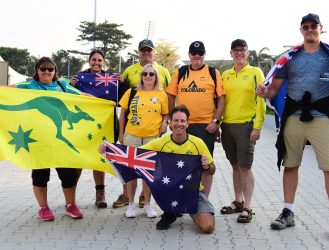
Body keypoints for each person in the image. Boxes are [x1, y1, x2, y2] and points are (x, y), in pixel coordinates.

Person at [256, 13, 329, 240]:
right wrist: (264, 92)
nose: (310, 30)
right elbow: (274, 89)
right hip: (294, 117)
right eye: (306, 26)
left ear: (321, 28)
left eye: (313, 26)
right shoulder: (291, 58)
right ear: (301, 30)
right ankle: (288, 212)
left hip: (321, 117)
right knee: (290, 165)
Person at [98, 105, 216, 233]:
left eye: (182, 121)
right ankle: (170, 212)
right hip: (169, 191)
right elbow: (133, 154)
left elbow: (212, 170)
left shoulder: (197, 143)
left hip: (192, 193)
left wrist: (207, 166)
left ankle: (185, 210)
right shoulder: (160, 143)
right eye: (175, 120)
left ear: (188, 123)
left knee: (207, 227)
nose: (179, 124)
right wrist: (108, 150)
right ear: (170, 123)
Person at [15, 57, 84, 221]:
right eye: (43, 68)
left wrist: (106, 104)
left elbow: (84, 97)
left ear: (55, 72)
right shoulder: (29, 86)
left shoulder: (63, 86)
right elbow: (6, 91)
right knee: (40, 175)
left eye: (50, 69)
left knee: (68, 175)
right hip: (39, 140)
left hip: (60, 141)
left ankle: (71, 205)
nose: (46, 71)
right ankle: (43, 208)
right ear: (37, 70)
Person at [113, 39, 171, 208]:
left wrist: (166, 122)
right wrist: (121, 133)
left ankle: (144, 199)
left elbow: (167, 98)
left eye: (149, 50)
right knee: (130, 167)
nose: (146, 53)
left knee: (148, 168)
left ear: (153, 52)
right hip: (133, 129)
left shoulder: (164, 71)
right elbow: (124, 100)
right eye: (143, 50)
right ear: (139, 52)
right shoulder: (130, 70)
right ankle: (126, 196)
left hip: (152, 129)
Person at [166, 41, 225, 197]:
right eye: (194, 53)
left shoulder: (213, 72)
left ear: (204, 55)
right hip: (183, 126)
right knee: (181, 164)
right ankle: (181, 198)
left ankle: (203, 201)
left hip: (206, 127)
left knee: (205, 164)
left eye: (200, 53)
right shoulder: (181, 72)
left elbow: (221, 99)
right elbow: (170, 95)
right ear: (189, 55)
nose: (197, 56)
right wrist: (173, 119)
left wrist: (216, 122)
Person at [71, 50, 127, 208]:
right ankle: (71, 197)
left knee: (99, 158)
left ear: (104, 62)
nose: (96, 63)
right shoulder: (80, 78)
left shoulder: (111, 79)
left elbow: (122, 100)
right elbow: (68, 95)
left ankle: (100, 194)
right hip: (83, 125)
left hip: (103, 124)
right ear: (89, 61)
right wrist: (71, 85)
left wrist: (122, 83)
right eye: (93, 60)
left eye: (99, 60)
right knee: (79, 159)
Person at [219, 39, 266, 223]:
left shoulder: (255, 72)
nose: (239, 53)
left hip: (246, 126)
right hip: (227, 125)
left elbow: (261, 100)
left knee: (245, 167)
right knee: (235, 165)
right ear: (231, 53)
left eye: (242, 50)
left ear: (247, 53)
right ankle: (237, 201)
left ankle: (248, 207)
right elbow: (221, 101)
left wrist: (257, 126)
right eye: (235, 50)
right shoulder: (226, 74)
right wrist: (218, 123)